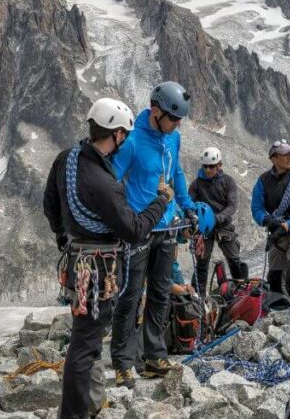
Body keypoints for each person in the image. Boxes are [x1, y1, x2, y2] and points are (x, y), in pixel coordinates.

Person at [43, 98, 173, 419]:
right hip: (98, 269)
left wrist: (65, 238)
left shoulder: (67, 159)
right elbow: (134, 229)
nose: (125, 140)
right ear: (115, 134)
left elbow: (50, 204)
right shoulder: (104, 184)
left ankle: (91, 401)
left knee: (85, 337)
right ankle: (73, 414)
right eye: (123, 135)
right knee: (86, 343)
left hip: (77, 261)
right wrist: (160, 201)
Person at [109, 82, 212, 387]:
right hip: (139, 228)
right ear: (156, 112)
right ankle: (123, 362)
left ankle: (154, 355)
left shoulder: (173, 138)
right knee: (129, 295)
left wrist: (188, 207)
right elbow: (112, 181)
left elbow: (176, 173)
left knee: (160, 291)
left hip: (167, 226)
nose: (178, 124)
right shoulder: (131, 141)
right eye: (174, 118)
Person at [251, 139, 290, 315]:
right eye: (285, 155)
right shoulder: (263, 181)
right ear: (274, 159)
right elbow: (256, 207)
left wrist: (286, 225)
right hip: (277, 237)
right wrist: (266, 219)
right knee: (275, 278)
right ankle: (279, 312)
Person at [189, 147, 245, 291]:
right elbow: (189, 205)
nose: (208, 170)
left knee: (234, 259)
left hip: (222, 225)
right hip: (204, 228)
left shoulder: (228, 182)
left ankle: (240, 290)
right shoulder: (196, 184)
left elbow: (232, 206)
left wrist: (218, 218)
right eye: (205, 166)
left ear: (219, 165)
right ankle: (197, 298)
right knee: (202, 263)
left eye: (211, 166)